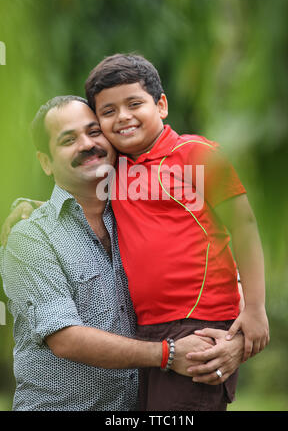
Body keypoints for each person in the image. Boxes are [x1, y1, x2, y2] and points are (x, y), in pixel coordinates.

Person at [0, 95, 244, 411]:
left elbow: (213, 270)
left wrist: (237, 340)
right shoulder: (30, 237)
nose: (87, 144)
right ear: (46, 162)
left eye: (94, 131)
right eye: (68, 139)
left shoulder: (141, 213)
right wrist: (168, 354)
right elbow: (64, 337)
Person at [83, 53, 270, 411]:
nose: (122, 116)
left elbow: (244, 226)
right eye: (108, 111)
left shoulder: (195, 154)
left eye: (134, 103)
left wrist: (257, 308)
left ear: (162, 105)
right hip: (146, 330)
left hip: (199, 325)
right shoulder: (113, 169)